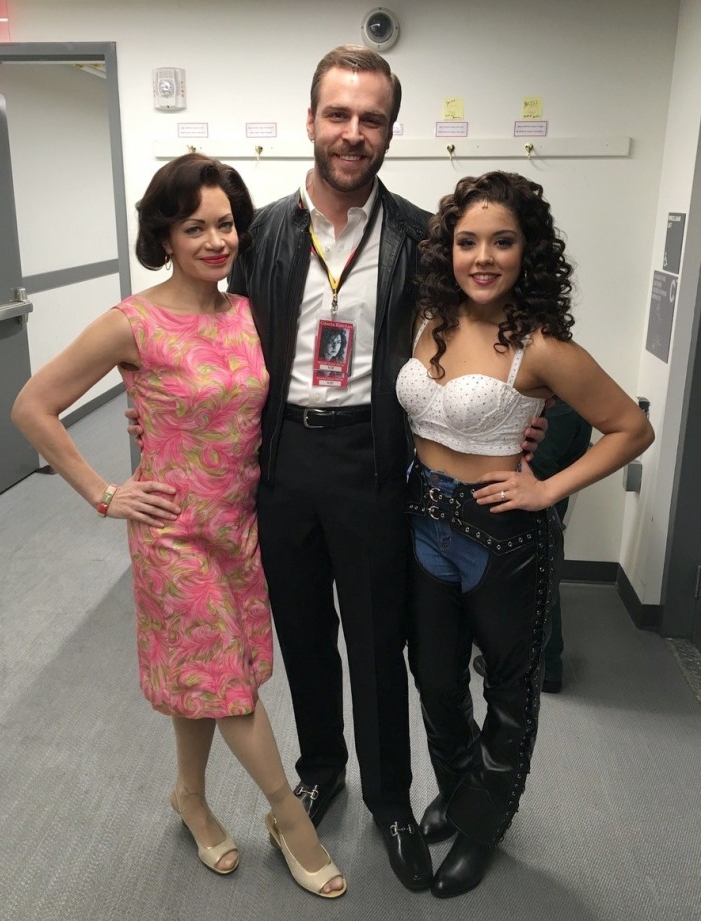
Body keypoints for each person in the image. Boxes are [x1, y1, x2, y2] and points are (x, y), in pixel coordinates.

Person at [128, 46, 546, 891]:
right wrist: (151, 399)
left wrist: (525, 422)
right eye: (339, 115)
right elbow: (205, 321)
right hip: (279, 457)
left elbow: (494, 327)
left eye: (372, 118)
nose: (354, 133)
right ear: (311, 120)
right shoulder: (263, 231)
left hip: (373, 457)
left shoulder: (428, 236)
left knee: (375, 635)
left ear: (390, 129)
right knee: (304, 632)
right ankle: (323, 765)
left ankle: (390, 795)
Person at [11, 153, 345, 899]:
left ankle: (188, 794)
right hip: (171, 533)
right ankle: (290, 817)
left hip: (238, 525)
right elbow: (33, 404)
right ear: (164, 234)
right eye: (195, 226)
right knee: (228, 684)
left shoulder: (249, 311)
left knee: (203, 675)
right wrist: (104, 492)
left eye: (226, 223)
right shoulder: (133, 322)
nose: (215, 240)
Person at [397, 170, 654, 898]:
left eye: (502, 242)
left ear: (526, 251)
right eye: (468, 240)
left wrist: (547, 486)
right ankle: (460, 790)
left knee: (509, 689)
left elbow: (631, 428)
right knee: (436, 678)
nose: (483, 257)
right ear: (448, 248)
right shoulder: (426, 320)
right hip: (422, 518)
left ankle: (483, 827)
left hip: (500, 533)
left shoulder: (540, 346)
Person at [473, 397, 593, 692]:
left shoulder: (550, 382)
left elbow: (531, 474)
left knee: (531, 557)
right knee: (540, 550)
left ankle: (545, 664)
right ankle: (539, 659)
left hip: (552, 413)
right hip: (565, 411)